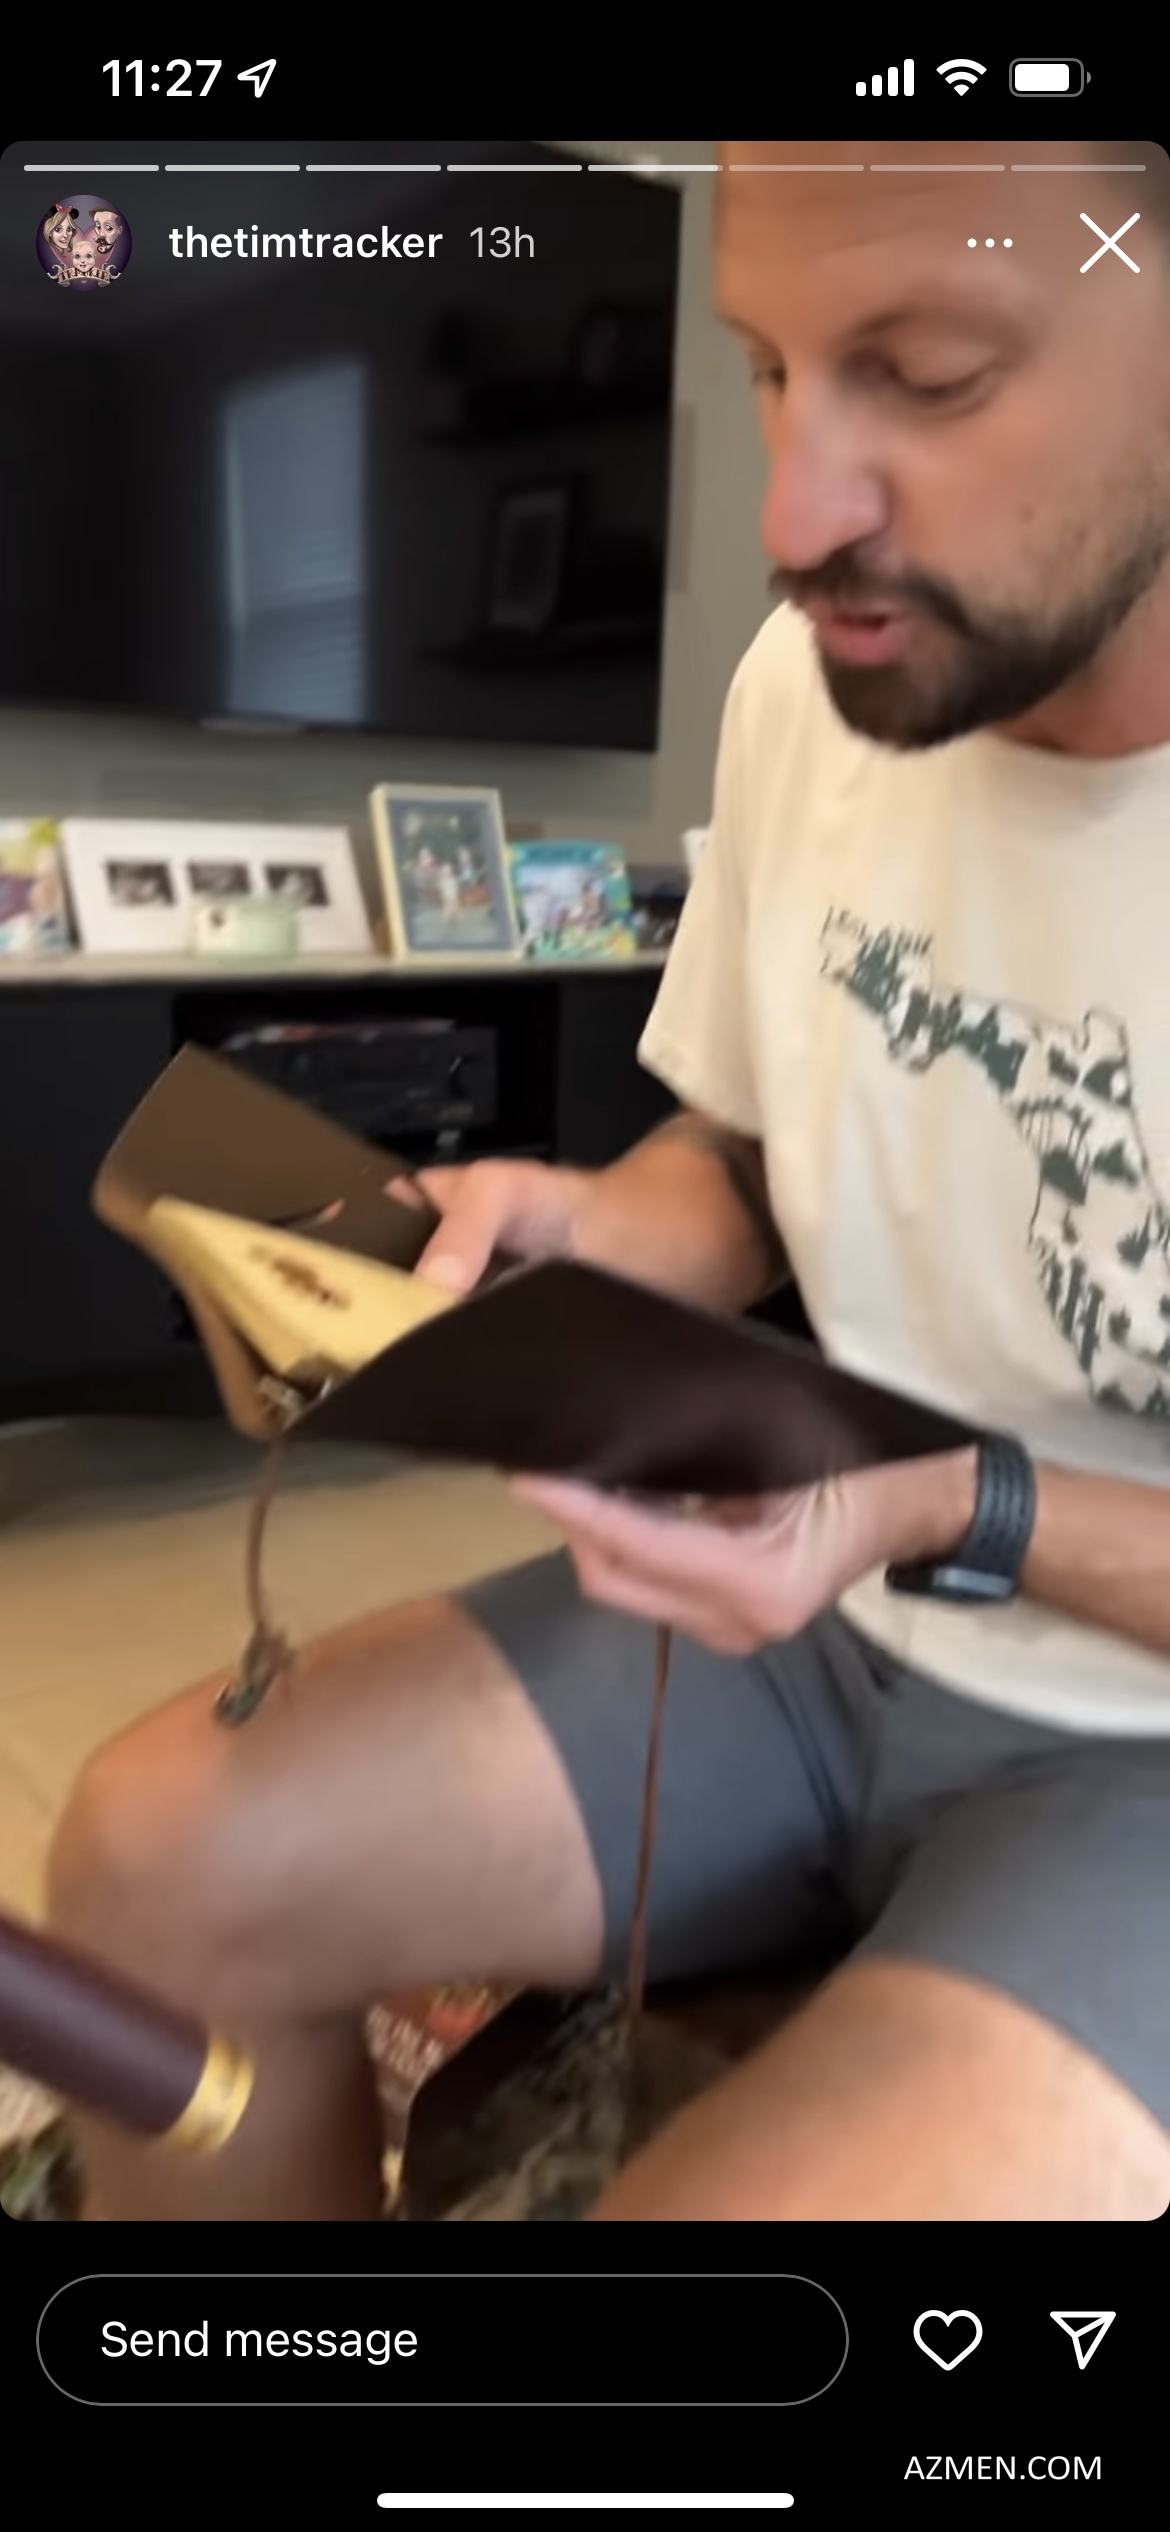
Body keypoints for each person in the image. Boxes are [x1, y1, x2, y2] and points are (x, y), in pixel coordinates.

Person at [47, 138, 1170, 2222]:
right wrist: (577, 1232)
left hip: (1135, 1738)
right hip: (824, 1630)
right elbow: (746, 1147)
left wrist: (954, 1503)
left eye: (927, 376)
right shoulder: (813, 687)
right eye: (766, 366)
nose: (791, 520)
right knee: (154, 1862)